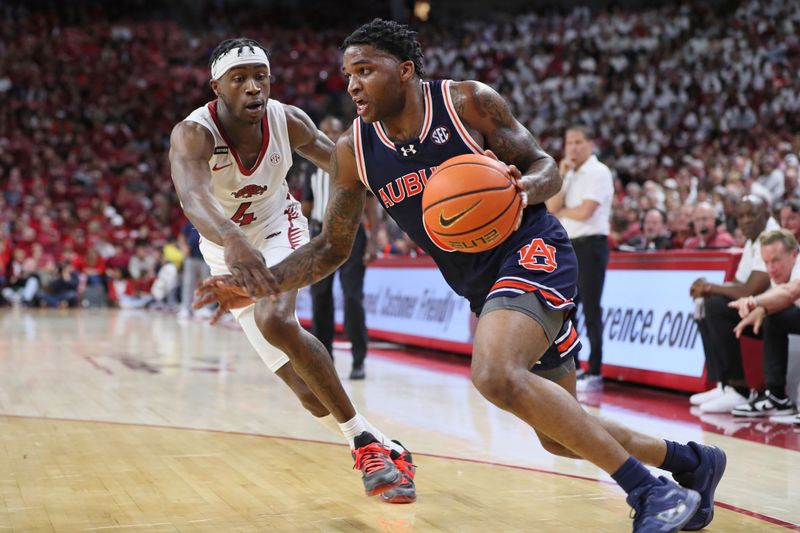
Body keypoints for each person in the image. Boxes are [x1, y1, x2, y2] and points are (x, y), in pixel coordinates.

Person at [196, 20, 725, 531]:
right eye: (347, 74)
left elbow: (547, 168)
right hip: (480, 283)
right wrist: (253, 283)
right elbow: (331, 248)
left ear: (404, 71)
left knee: (494, 374)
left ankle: (650, 491)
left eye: (364, 70)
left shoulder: (467, 101)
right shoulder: (353, 150)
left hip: (532, 249)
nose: (352, 84)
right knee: (559, 436)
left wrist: (523, 187)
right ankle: (691, 461)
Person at [168, 37, 412, 502]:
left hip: (282, 229)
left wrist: (400, 184)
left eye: (260, 76)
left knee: (276, 319)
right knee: (306, 392)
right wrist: (233, 240)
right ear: (216, 85)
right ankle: (383, 445)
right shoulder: (193, 133)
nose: (253, 87)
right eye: (240, 79)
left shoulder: (287, 120)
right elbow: (193, 196)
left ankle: (363, 447)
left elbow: (342, 163)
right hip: (227, 249)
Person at [302, 116, 377, 380]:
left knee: (352, 297)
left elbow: (370, 204)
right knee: (320, 298)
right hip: (322, 235)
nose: (331, 135)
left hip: (353, 234)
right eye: (326, 131)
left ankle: (359, 359)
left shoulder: (354, 159)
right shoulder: (312, 168)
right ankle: (325, 358)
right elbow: (307, 207)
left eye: (335, 130)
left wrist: (375, 240)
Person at [688, 195, 777, 413]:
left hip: (776, 310)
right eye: (741, 216)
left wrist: (710, 287)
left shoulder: (771, 238)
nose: (746, 221)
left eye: (751, 215)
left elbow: (751, 289)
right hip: (759, 307)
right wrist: (708, 291)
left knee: (716, 306)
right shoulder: (753, 239)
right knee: (704, 304)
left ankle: (739, 389)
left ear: (765, 214)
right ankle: (723, 383)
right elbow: (739, 282)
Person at [546, 126, 614, 392]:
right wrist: (561, 175)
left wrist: (564, 211)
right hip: (570, 245)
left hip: (592, 245)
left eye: (578, 142)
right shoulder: (570, 174)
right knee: (568, 308)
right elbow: (552, 208)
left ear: (590, 143)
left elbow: (586, 212)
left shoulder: (599, 172)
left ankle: (595, 369)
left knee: (591, 308)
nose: (572, 148)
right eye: (569, 143)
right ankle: (571, 366)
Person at [726, 229, 799, 418]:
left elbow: (791, 291)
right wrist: (760, 309)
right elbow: (780, 298)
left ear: (793, 255)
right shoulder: (781, 274)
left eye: (775, 260)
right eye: (766, 263)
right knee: (773, 319)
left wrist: (755, 302)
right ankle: (776, 398)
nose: (771, 268)